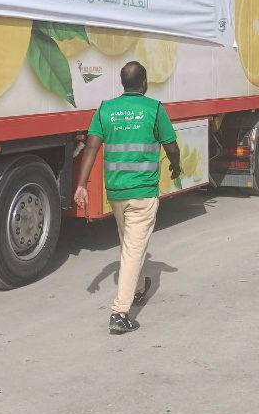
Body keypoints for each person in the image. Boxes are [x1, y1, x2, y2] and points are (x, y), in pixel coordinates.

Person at [74, 61, 181, 334]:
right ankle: (120, 313)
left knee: (130, 243)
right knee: (134, 248)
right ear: (144, 84)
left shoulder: (105, 109)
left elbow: (90, 148)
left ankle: (139, 288)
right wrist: (176, 166)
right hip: (143, 193)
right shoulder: (155, 109)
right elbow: (171, 145)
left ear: (123, 83)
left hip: (117, 193)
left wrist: (82, 184)